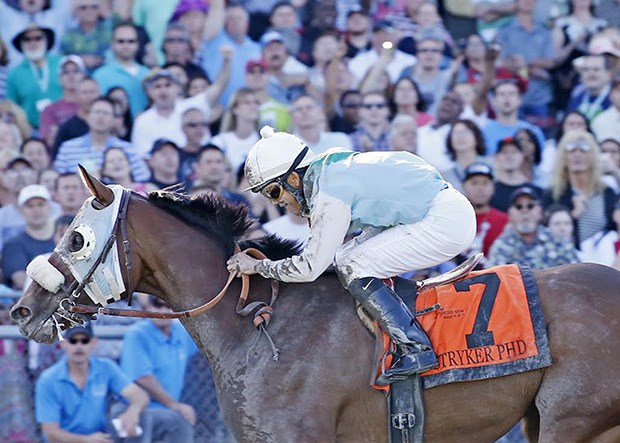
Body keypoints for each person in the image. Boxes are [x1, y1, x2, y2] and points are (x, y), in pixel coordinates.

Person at [226, 126, 477, 384]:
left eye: (273, 192)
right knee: (345, 258)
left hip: (444, 220)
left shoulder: (328, 193)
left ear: (292, 179)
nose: (276, 203)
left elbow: (310, 268)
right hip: (436, 209)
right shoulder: (328, 166)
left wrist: (258, 267)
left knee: (354, 265)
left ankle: (416, 348)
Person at [35, 323, 150, 442]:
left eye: (85, 341)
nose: (79, 346)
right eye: (73, 341)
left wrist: (132, 412)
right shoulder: (48, 380)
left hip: (100, 438)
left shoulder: (106, 368)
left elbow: (139, 395)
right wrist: (85, 440)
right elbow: (51, 433)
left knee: (151, 418)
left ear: (94, 342)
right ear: (63, 344)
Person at [120, 296, 198, 442]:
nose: (162, 311)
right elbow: (142, 378)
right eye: (157, 305)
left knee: (181, 419)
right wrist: (174, 405)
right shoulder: (137, 335)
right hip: (134, 409)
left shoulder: (181, 332)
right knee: (178, 421)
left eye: (167, 305)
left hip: (166, 410)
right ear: (147, 307)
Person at [543, 129, 617, 248]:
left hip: (602, 259)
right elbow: (545, 234)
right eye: (571, 150)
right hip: (567, 260)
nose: (577, 155)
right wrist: (573, 215)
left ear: (593, 156)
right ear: (564, 158)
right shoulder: (553, 194)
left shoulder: (607, 192)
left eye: (584, 150)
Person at [54, 97, 150, 182]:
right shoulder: (68, 148)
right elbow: (57, 180)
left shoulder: (127, 149)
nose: (100, 117)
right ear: (87, 117)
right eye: (97, 112)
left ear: (113, 120)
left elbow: (142, 180)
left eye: (106, 113)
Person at [487, 185, 580, 269]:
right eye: (518, 206)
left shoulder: (559, 241)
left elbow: (576, 274)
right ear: (510, 214)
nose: (525, 211)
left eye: (530, 206)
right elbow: (494, 282)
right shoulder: (501, 246)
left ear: (540, 212)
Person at [6, 24, 63, 129]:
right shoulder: (15, 74)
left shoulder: (61, 64)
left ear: (46, 40)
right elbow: (12, 108)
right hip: (32, 130)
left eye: (38, 38)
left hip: (64, 127)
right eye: (27, 39)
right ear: (21, 44)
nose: (33, 43)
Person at [2, 184, 55, 290]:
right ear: (21, 210)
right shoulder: (13, 245)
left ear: (49, 207)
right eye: (30, 206)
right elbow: (21, 281)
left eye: (41, 205)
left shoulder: (61, 240)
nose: (36, 210)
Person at [93, 22, 151, 118]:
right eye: (121, 41)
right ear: (112, 44)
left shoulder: (148, 74)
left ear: (138, 44)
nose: (126, 45)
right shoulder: (100, 75)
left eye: (131, 41)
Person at [461, 162, 509, 261]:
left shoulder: (506, 221)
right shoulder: (454, 219)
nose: (480, 188)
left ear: (493, 188)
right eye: (474, 183)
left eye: (485, 183)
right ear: (464, 187)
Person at [39, 55, 85, 147]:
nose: (71, 76)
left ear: (83, 76)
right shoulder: (49, 110)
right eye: (65, 72)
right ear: (59, 78)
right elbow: (50, 140)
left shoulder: (90, 107)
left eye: (76, 71)